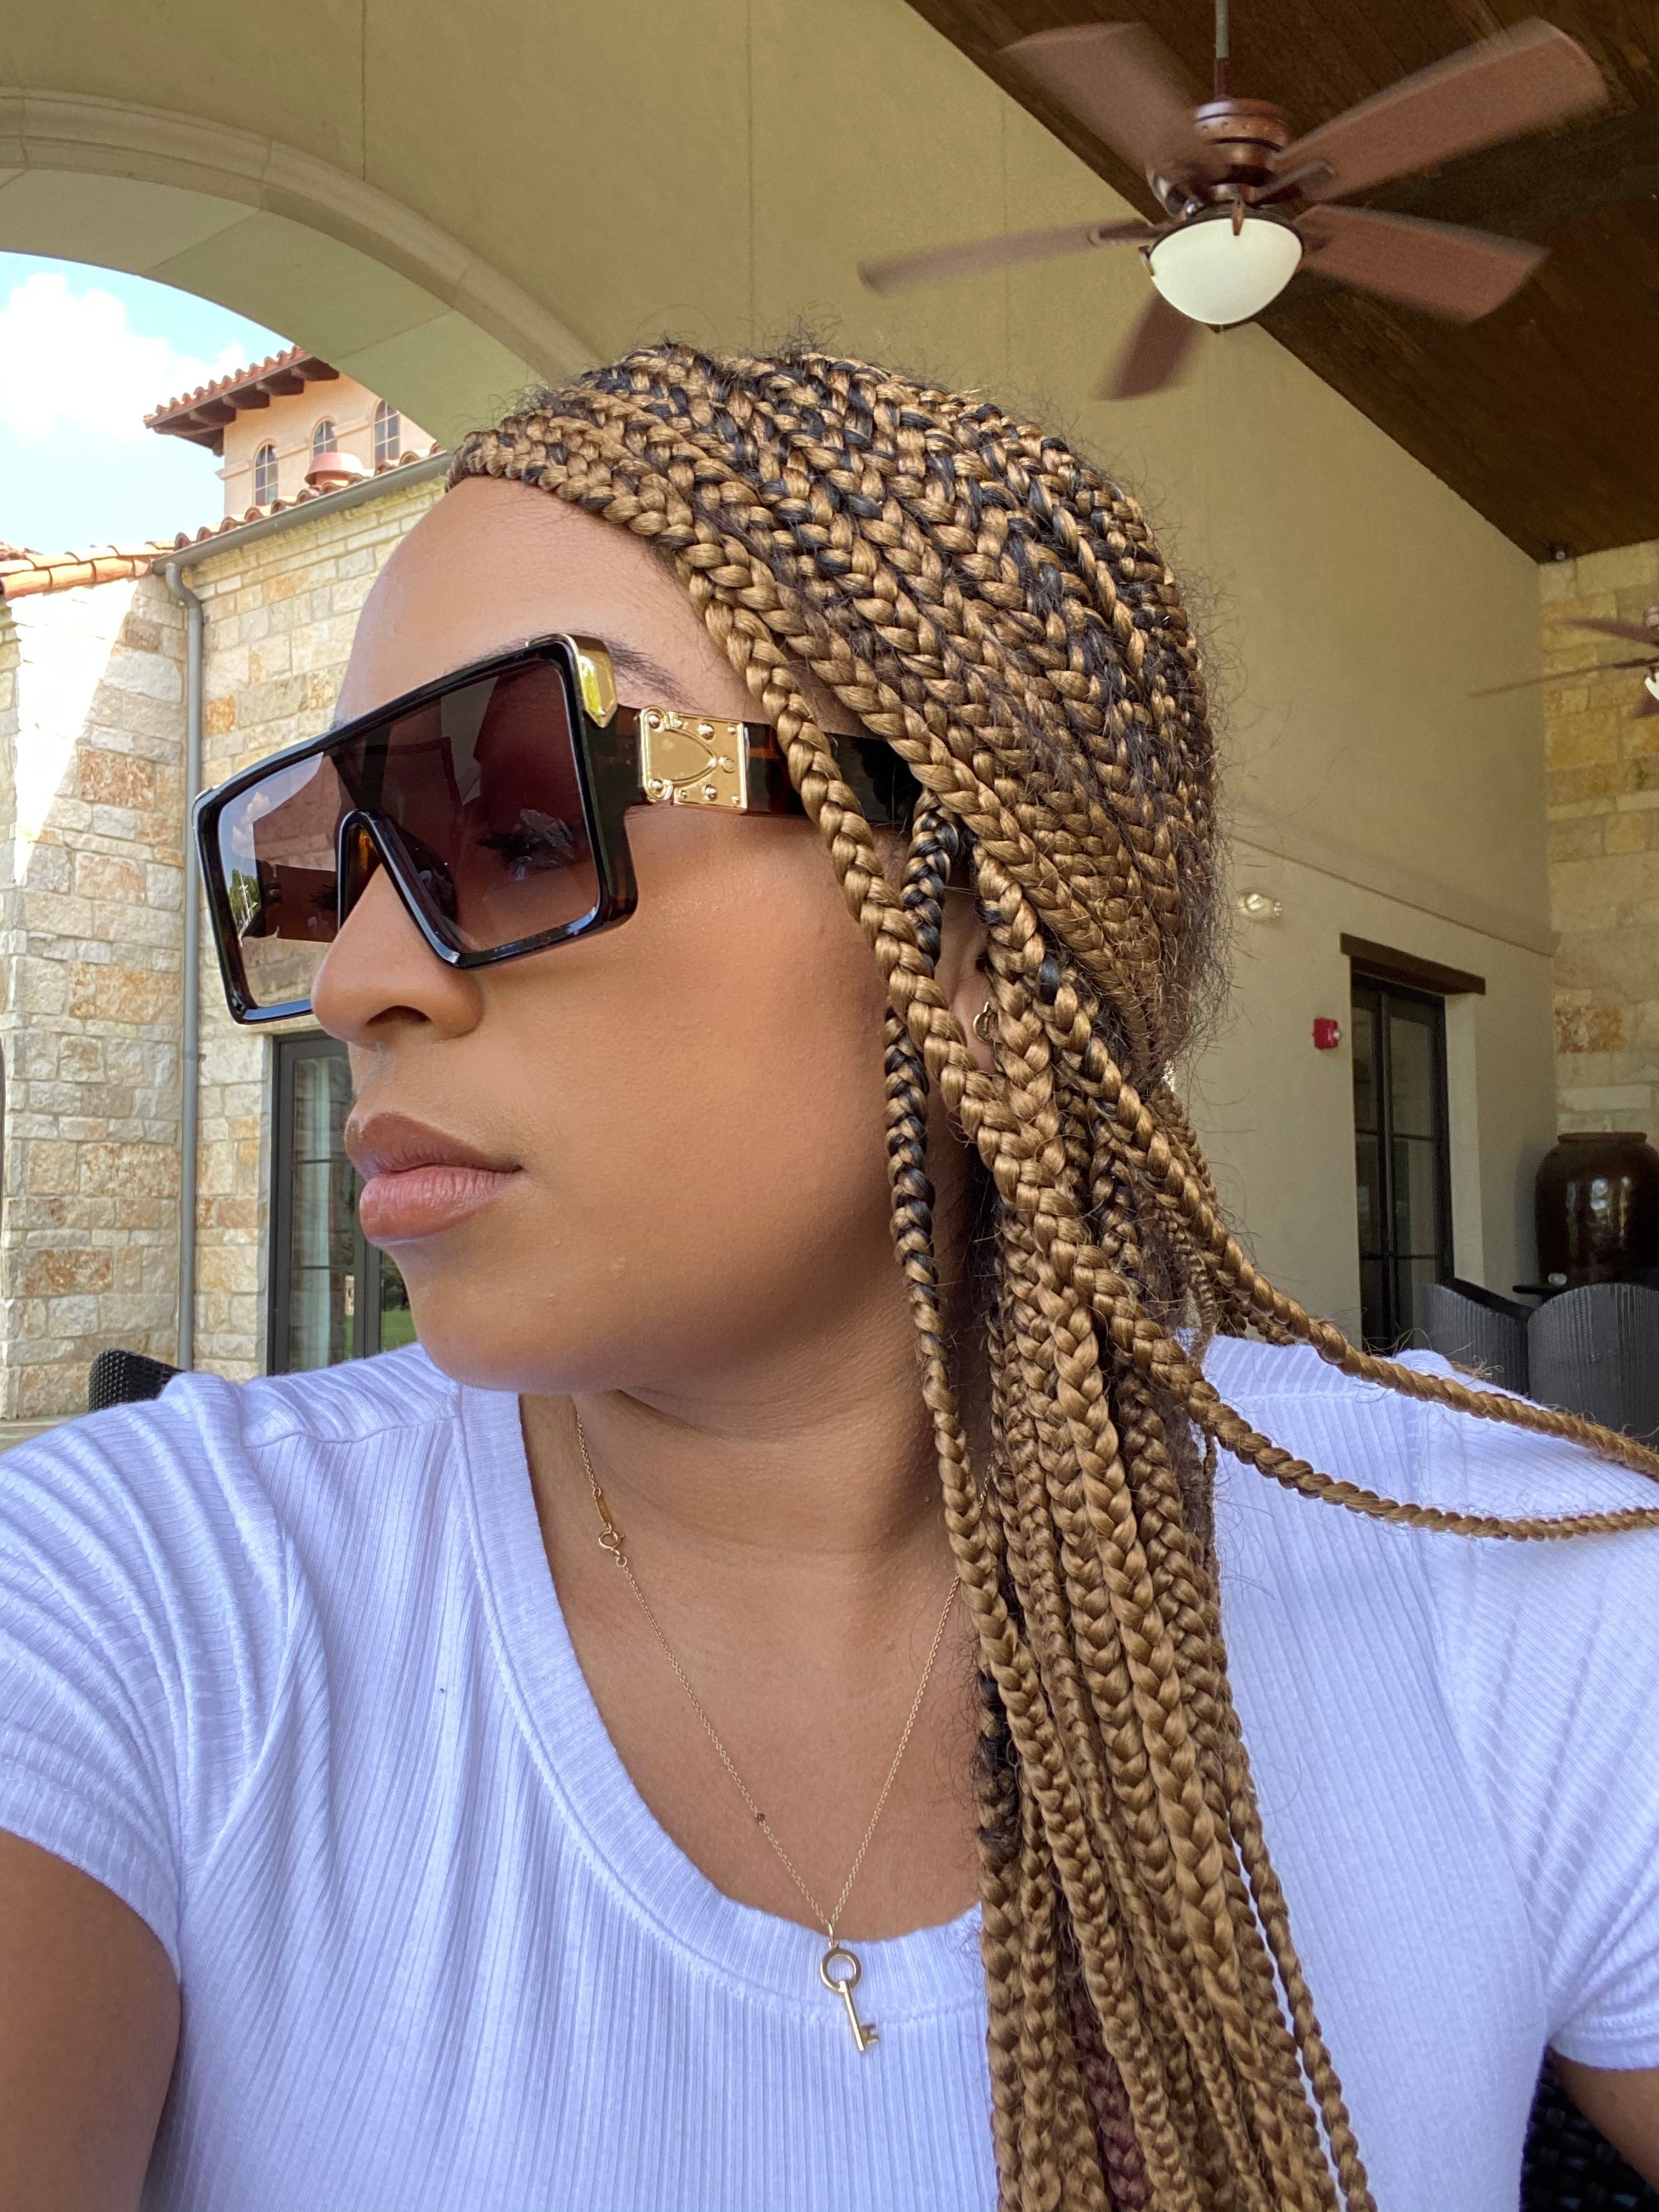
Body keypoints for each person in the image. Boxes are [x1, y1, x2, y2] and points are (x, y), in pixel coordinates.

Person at [4, 343, 1659, 2212]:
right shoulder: (134, 1605)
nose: (359, 979)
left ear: (971, 930)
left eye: (521, 821)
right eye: (323, 867)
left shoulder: (1509, 1587)